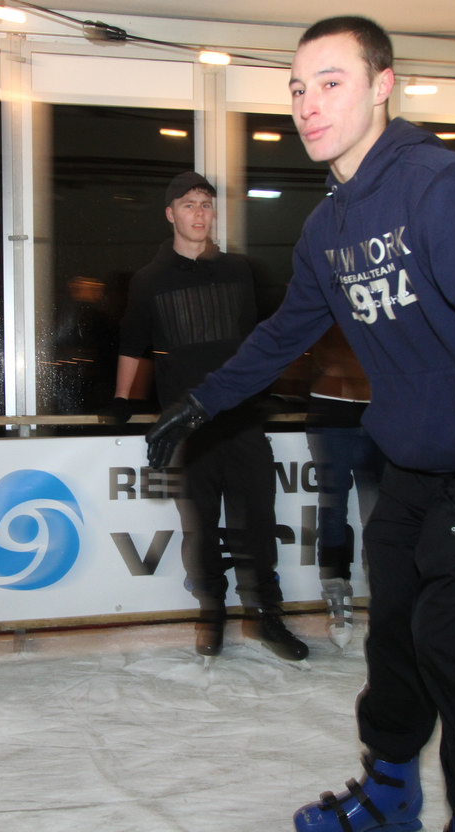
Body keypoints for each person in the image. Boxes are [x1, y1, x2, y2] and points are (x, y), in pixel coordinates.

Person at [145, 16, 455, 832]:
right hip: (411, 467)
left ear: (383, 85)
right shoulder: (328, 229)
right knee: (394, 644)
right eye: (298, 89)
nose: (308, 105)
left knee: (452, 650)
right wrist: (204, 400)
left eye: (331, 83)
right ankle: (390, 795)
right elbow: (283, 334)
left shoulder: (442, 188)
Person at [116, 170, 307, 662]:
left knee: (257, 522)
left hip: (242, 418)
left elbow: (262, 340)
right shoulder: (149, 280)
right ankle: (212, 613)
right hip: (188, 426)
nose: (199, 213)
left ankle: (265, 615)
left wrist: (276, 387)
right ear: (170, 214)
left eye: (205, 204)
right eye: (188, 204)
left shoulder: (239, 270)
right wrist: (122, 399)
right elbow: (132, 344)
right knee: (199, 526)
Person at [304, 324, 385, 649]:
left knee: (379, 511)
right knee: (333, 506)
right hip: (331, 406)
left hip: (379, 405)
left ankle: (384, 596)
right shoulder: (328, 301)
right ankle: (337, 594)